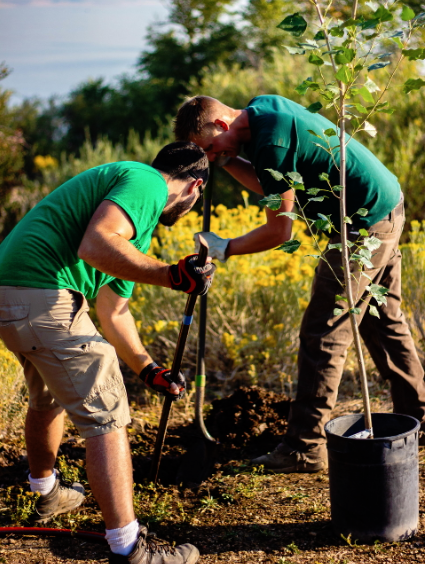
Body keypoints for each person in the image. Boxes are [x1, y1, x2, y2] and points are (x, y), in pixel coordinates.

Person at [173, 94, 425, 473]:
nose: (209, 156)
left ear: (222, 125)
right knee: (383, 321)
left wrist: (225, 248)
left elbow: (279, 230)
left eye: (210, 147)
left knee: (324, 332)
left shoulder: (270, 141)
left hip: (362, 224)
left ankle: (305, 447)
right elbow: (273, 186)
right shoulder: (262, 111)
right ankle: (420, 417)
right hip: (383, 206)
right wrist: (223, 160)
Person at [0, 141, 215, 564]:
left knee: (48, 397)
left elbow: (113, 311)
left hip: (12, 294)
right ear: (195, 187)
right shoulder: (147, 181)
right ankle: (130, 547)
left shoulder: (134, 215)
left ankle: (46, 494)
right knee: (107, 413)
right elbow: (94, 245)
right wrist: (172, 275)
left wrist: (149, 369)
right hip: (44, 292)